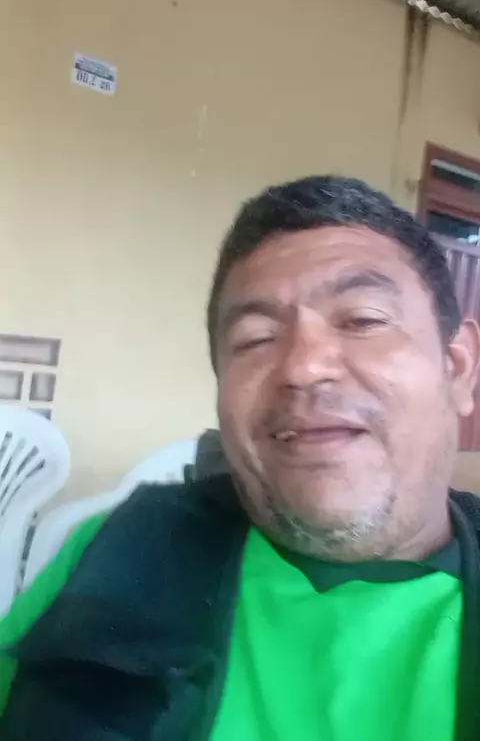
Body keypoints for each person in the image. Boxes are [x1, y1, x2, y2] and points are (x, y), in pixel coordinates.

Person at [1, 175, 479, 741]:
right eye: (255, 338)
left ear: (457, 368)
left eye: (363, 320)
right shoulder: (115, 553)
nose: (303, 367)